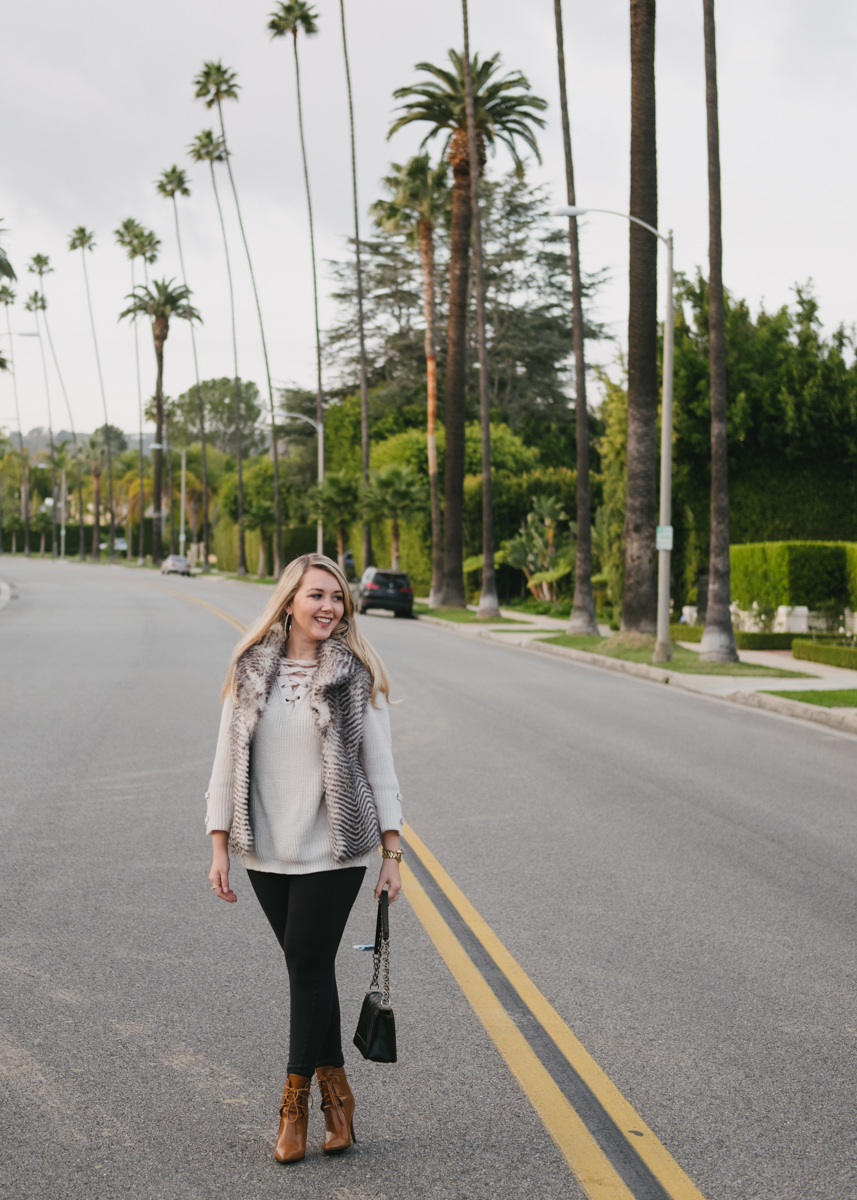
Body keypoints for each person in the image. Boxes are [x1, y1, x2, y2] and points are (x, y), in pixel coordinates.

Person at [205, 553, 404, 1164]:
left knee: (307, 966)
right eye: (317, 595)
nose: (328, 608)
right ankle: (338, 1099)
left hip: (335, 846)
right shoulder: (250, 669)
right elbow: (224, 759)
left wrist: (392, 852)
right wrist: (219, 843)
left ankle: (292, 1107)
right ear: (289, 600)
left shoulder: (355, 675)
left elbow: (382, 769)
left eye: (337, 599)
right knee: (308, 970)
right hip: (266, 849)